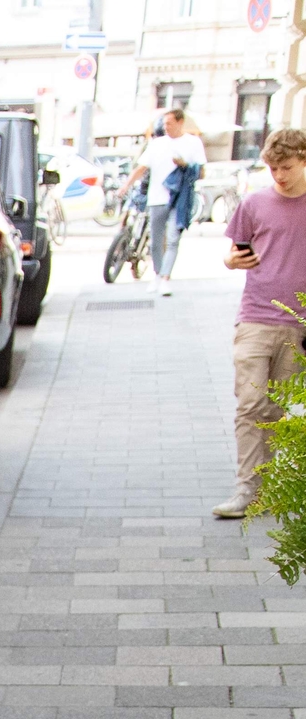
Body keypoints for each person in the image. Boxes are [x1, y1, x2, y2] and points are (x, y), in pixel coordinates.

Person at [219, 128, 306, 518]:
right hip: (255, 316)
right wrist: (230, 261)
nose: (279, 176)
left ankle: (273, 485)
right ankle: (247, 490)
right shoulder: (255, 204)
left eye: (286, 167)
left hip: (299, 322)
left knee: (279, 410)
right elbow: (235, 254)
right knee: (251, 404)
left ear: (303, 159)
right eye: (272, 168)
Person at [129, 110, 209, 293]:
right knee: (156, 240)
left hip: (180, 198)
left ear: (181, 122)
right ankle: (157, 274)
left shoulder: (193, 143)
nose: (166, 127)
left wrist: (185, 165)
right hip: (156, 197)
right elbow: (142, 167)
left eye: (170, 123)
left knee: (173, 239)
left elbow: (202, 172)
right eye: (164, 124)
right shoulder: (157, 144)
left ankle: (165, 278)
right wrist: (126, 186)